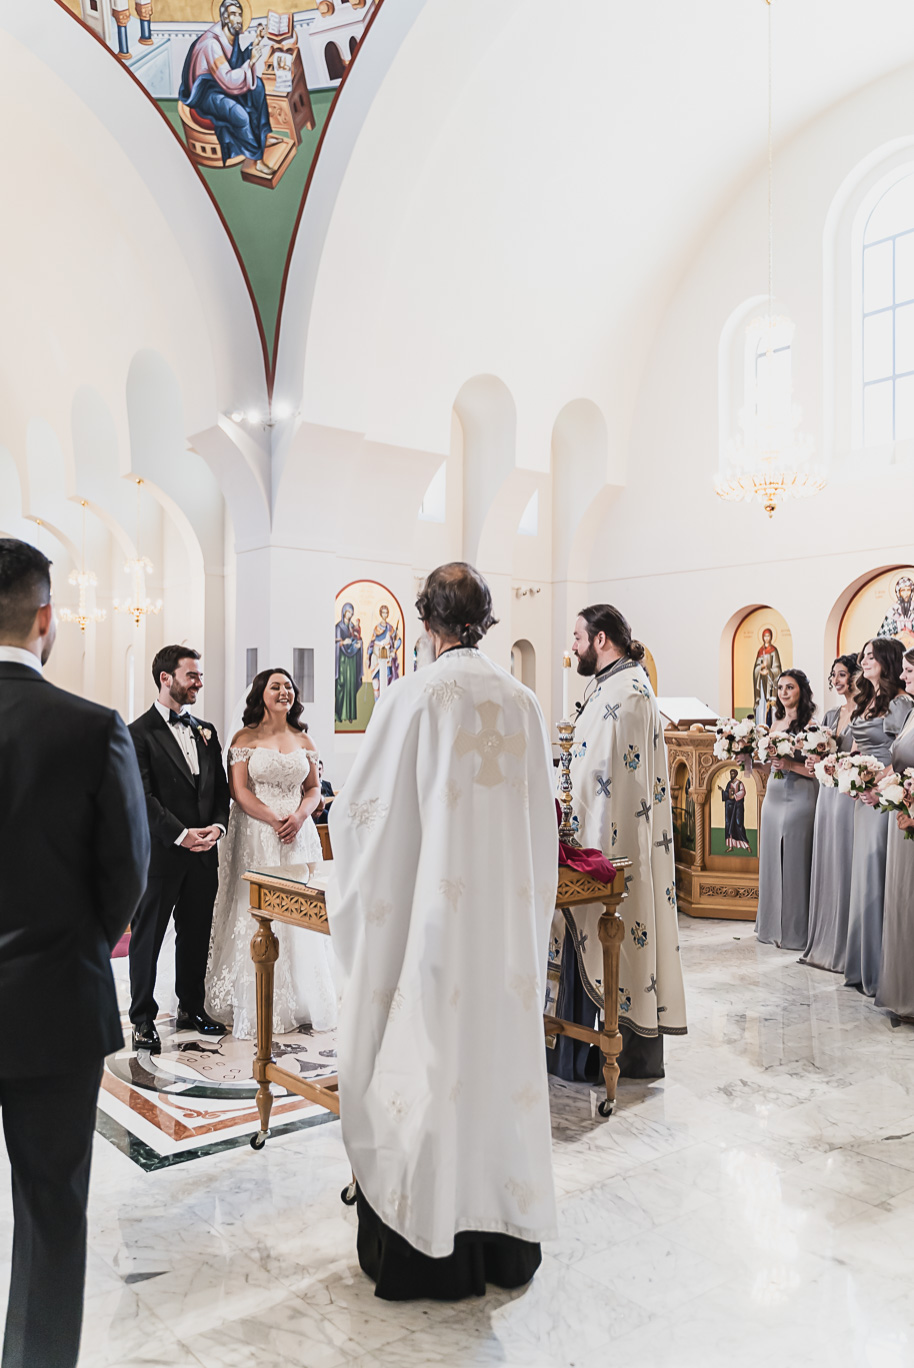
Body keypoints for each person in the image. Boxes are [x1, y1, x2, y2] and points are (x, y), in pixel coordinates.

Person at [327, 562, 558, 1300]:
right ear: (484, 621)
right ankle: (501, 1239)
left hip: (431, 929)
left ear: (426, 621)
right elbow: (542, 826)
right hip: (503, 937)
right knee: (496, 1069)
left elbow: (363, 815)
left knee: (425, 1071)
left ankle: (427, 1242)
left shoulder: (413, 697)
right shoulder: (522, 700)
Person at [0, 539, 150, 1368]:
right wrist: (75, 948)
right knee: (51, 1208)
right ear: (46, 618)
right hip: (56, 1004)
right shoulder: (94, 729)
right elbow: (125, 876)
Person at [553, 604, 687, 1083]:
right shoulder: (610, 685)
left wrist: (581, 843)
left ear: (601, 639)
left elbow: (606, 781)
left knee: (611, 944)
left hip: (611, 846)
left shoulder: (628, 693)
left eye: (577, 637)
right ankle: (570, 1051)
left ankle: (608, 1053)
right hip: (594, 839)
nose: (572, 646)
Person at [206, 668, 336, 1038]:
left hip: (298, 832)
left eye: (289, 687)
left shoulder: (304, 740)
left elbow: (313, 789)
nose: (284, 692)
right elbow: (239, 790)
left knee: (300, 908)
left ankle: (302, 995)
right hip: (257, 831)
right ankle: (253, 995)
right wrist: (272, 817)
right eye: (275, 686)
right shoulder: (244, 738)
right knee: (256, 909)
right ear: (260, 693)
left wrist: (298, 815)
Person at [128, 645, 231, 1053]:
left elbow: (220, 790)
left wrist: (218, 828)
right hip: (161, 854)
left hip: (205, 854)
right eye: (193, 675)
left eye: (200, 676)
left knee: (196, 934)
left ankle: (191, 1007)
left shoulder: (207, 731)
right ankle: (142, 1018)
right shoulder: (138, 733)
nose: (199, 683)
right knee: (148, 937)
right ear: (165, 678)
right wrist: (181, 834)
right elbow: (142, 797)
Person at [844, 638, 912, 996]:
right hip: (862, 798)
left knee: (876, 876)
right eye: (863, 656)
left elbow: (902, 754)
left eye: (871, 656)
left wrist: (877, 785)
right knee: (863, 878)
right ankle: (861, 964)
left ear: (888, 661)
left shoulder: (900, 702)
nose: (865, 661)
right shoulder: (865, 700)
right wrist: (847, 772)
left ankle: (880, 968)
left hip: (884, 801)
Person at [801, 654, 858, 974]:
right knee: (826, 859)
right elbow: (819, 751)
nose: (836, 680)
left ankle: (846, 943)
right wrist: (813, 760)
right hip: (827, 792)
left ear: (854, 676)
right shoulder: (832, 714)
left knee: (845, 860)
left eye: (841, 674)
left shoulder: (865, 712)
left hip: (849, 794)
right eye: (833, 675)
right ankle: (825, 939)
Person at [178, 0, 281, 176]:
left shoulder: (231, 35)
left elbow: (236, 62)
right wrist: (252, 61)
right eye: (234, 14)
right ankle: (257, 159)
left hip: (221, 84)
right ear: (224, 17)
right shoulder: (212, 44)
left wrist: (256, 42)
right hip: (206, 92)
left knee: (258, 88)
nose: (239, 18)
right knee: (239, 114)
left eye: (240, 14)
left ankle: (263, 136)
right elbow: (228, 79)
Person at [755, 669, 818, 951]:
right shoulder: (775, 722)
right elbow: (769, 766)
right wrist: (747, 758)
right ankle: (770, 927)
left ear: (801, 691)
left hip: (800, 797)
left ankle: (795, 932)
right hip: (774, 795)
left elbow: (817, 772)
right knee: (770, 860)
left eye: (789, 687)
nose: (783, 692)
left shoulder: (812, 726)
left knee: (794, 862)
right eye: (780, 687)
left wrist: (790, 765)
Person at [876, 647, 914, 1017]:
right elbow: (899, 762)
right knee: (903, 905)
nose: (903, 678)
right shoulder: (912, 713)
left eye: (909, 670)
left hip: (911, 820)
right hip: (902, 819)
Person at [335, 602, 363, 724]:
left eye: (351, 613)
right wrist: (342, 643)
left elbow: (358, 639)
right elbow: (334, 643)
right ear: (343, 613)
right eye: (348, 612)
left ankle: (350, 714)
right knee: (342, 685)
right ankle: (339, 714)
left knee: (351, 686)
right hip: (342, 661)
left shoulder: (352, 627)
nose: (349, 615)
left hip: (351, 662)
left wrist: (359, 644)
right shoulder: (338, 627)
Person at [367, 604, 402, 700]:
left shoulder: (390, 628)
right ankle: (377, 703)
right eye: (383, 613)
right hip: (376, 657)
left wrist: (394, 650)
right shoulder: (376, 628)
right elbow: (371, 643)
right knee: (375, 682)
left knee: (385, 682)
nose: (385, 615)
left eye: (386, 613)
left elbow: (399, 640)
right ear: (380, 614)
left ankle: (384, 703)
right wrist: (368, 657)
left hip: (386, 657)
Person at [753, 627, 782, 725]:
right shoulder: (760, 651)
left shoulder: (774, 651)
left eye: (768, 636)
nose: (766, 638)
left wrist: (769, 672)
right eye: (765, 636)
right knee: (762, 705)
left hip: (770, 683)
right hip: (761, 683)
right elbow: (756, 668)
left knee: (771, 708)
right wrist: (760, 668)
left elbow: (777, 668)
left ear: (771, 637)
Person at [876, 574, 914, 648]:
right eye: (903, 590)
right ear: (898, 592)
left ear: (911, 591)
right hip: (896, 648)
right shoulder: (892, 611)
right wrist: (897, 635)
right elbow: (881, 636)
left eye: (908, 590)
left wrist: (910, 634)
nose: (906, 594)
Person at [720, 768, 750, 851]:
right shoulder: (729, 783)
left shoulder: (739, 783)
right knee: (729, 824)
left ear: (736, 774)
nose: (731, 775)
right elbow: (727, 793)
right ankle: (731, 846)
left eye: (733, 774)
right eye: (730, 774)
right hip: (729, 807)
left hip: (737, 806)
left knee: (738, 823)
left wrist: (735, 795)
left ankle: (745, 844)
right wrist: (723, 791)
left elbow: (743, 792)